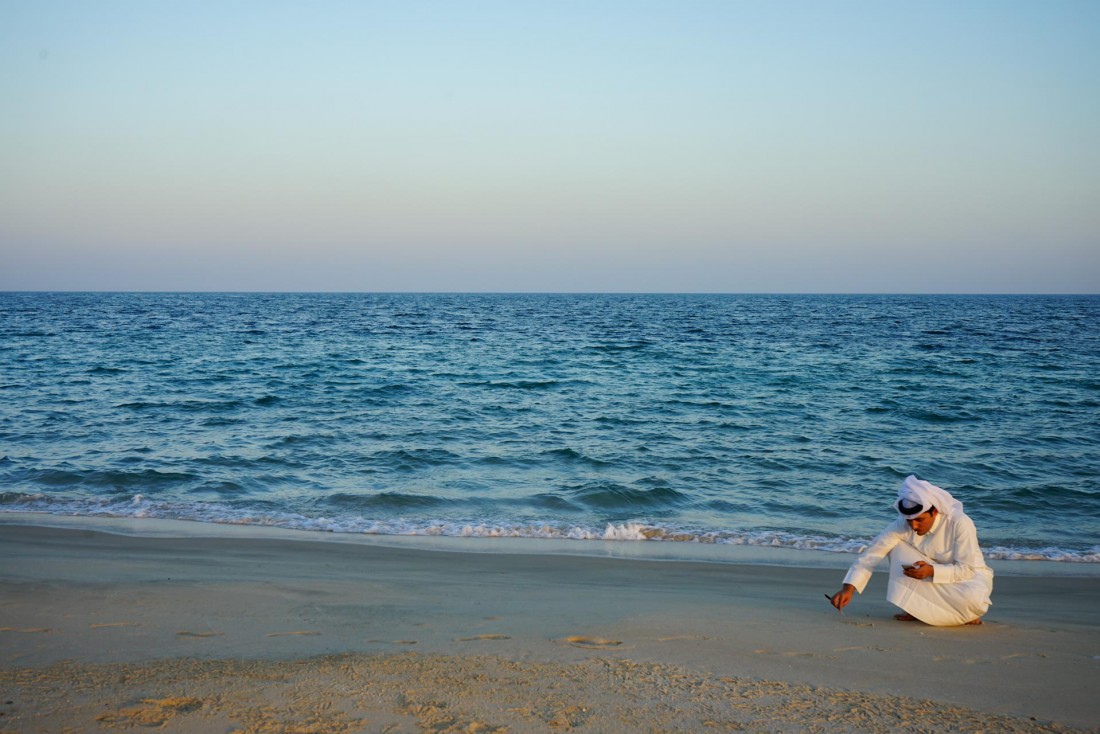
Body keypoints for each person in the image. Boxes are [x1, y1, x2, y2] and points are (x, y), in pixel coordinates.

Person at [828, 475, 993, 626]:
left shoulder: (960, 523)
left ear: (934, 511)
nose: (913, 526)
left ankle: (962, 612)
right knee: (896, 547)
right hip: (930, 575)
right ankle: (914, 609)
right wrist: (848, 589)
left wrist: (932, 571)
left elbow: (968, 569)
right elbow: (872, 554)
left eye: (920, 520)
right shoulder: (903, 524)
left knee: (972, 599)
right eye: (909, 521)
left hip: (967, 581)